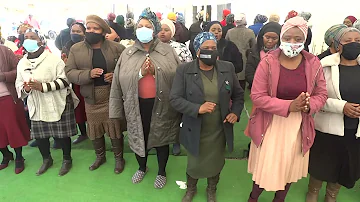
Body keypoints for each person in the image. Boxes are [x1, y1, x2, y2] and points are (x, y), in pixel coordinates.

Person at [247, 16, 327, 202]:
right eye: (288, 38)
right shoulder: (267, 62)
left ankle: (279, 199)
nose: (292, 43)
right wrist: (289, 106)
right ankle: (253, 198)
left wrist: (309, 105)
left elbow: (321, 94)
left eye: (298, 39)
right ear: (281, 38)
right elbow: (257, 96)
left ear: (305, 40)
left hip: (298, 125)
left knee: (289, 167)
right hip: (271, 124)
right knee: (266, 167)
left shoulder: (313, 63)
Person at [109, 7, 181, 189]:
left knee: (161, 138)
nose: (143, 29)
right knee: (138, 136)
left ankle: (161, 171)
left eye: (147, 26)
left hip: (162, 104)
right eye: (140, 26)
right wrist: (140, 74)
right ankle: (142, 167)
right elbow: (119, 81)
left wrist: (157, 74)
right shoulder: (128, 53)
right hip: (136, 104)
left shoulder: (167, 51)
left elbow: (177, 76)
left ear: (155, 29)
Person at [169, 32, 244, 202]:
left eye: (213, 48)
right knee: (194, 162)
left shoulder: (227, 68)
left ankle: (212, 189)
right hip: (196, 127)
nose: (210, 51)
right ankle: (191, 189)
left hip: (219, 128)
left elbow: (238, 96)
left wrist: (235, 113)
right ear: (197, 51)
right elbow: (175, 99)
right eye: (206, 48)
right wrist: (197, 108)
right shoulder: (184, 70)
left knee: (216, 162)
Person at [65, 15, 126, 174]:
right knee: (94, 129)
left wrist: (115, 75)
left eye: (95, 28)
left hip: (111, 96)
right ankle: (100, 156)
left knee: (114, 128)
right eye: (89, 27)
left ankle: (119, 158)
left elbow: (127, 70)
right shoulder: (76, 49)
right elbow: (69, 72)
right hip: (91, 97)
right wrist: (88, 74)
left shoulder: (117, 48)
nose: (91, 31)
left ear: (103, 31)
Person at [15, 28, 79, 176]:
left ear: (40, 40)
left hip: (56, 101)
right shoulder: (22, 63)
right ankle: (46, 159)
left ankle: (67, 159)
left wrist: (42, 87)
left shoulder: (53, 59)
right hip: (36, 103)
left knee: (62, 135)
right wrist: (26, 89)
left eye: (32, 36)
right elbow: (18, 84)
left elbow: (65, 80)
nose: (29, 39)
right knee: (40, 136)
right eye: (26, 37)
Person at [307, 27, 360, 202]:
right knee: (321, 167)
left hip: (354, 131)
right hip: (328, 128)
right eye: (348, 41)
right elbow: (315, 97)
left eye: (358, 40)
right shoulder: (324, 65)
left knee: (344, 167)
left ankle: (331, 196)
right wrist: (341, 107)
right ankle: (313, 192)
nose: (354, 44)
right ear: (337, 45)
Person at [158, 18, 192, 155]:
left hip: (176, 88)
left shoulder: (180, 48)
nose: (162, 33)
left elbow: (189, 68)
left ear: (172, 32)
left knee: (176, 116)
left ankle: (176, 141)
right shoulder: (151, 48)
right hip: (157, 89)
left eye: (166, 30)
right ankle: (160, 142)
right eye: (160, 29)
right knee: (159, 116)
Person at [0, 45, 30, 174]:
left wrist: (3, 76)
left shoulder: (5, 51)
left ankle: (19, 157)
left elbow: (18, 71)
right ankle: (6, 154)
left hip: (7, 96)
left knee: (12, 128)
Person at [61, 22, 88, 145]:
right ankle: (83, 133)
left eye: (78, 31)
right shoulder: (66, 47)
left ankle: (97, 132)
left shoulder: (89, 45)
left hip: (89, 80)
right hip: (75, 82)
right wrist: (66, 63)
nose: (75, 34)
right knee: (78, 108)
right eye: (73, 31)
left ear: (84, 33)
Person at [245, 22, 282, 89]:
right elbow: (249, 73)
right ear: (262, 36)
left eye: (274, 38)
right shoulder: (253, 52)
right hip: (258, 88)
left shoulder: (283, 54)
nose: (270, 41)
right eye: (267, 37)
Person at [226, 13, 256, 90]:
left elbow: (226, 44)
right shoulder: (250, 32)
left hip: (232, 57)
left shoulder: (230, 32)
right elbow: (254, 46)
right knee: (242, 79)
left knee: (233, 76)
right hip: (245, 57)